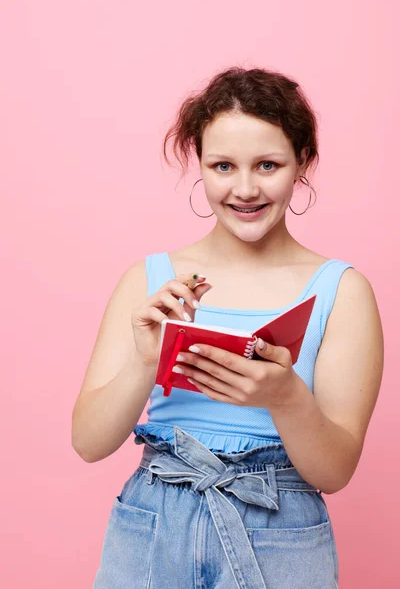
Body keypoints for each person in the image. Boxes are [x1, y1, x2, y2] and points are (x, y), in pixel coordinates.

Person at [72, 66, 384, 589]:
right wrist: (148, 360)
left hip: (279, 525)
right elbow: (88, 441)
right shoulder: (150, 281)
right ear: (200, 164)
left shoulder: (342, 291)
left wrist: (286, 397)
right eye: (222, 166)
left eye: (267, 164)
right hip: (153, 521)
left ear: (302, 162)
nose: (244, 189)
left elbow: (334, 473)